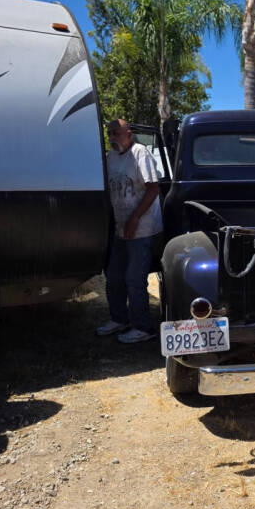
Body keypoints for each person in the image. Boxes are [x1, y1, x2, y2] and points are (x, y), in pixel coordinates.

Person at [96, 119, 163, 343]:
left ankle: (144, 327)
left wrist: (134, 218)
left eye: (117, 133)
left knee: (134, 278)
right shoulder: (110, 157)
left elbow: (153, 188)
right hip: (120, 228)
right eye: (109, 133)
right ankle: (119, 319)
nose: (112, 137)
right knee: (114, 276)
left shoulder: (140, 153)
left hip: (142, 228)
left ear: (129, 133)